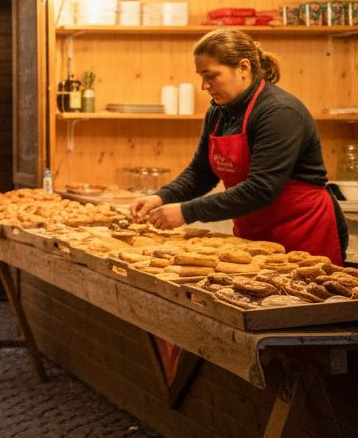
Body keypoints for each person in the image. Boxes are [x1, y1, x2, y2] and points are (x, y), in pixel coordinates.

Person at [131, 28, 348, 263]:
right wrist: (161, 197)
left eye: (211, 75)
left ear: (243, 67)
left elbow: (261, 188)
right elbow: (200, 172)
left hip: (303, 231)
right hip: (254, 232)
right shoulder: (219, 111)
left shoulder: (278, 112)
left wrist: (187, 212)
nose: (204, 86)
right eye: (201, 76)